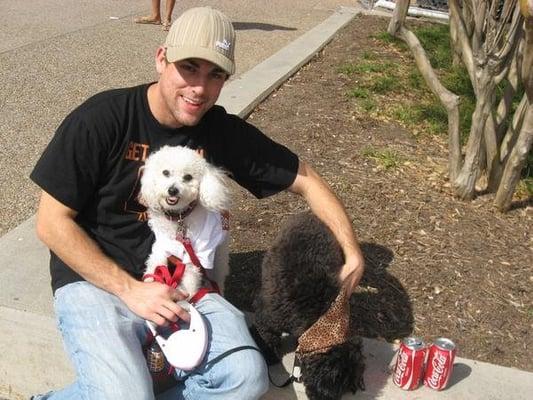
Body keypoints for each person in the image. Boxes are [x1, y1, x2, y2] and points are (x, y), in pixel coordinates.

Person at [30, 6, 365, 400]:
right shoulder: (102, 119)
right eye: (189, 67)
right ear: (161, 59)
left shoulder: (221, 132)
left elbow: (306, 180)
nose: (200, 88)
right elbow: (51, 223)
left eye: (215, 75)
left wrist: (352, 250)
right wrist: (129, 289)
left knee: (245, 379)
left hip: (187, 284)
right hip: (98, 282)